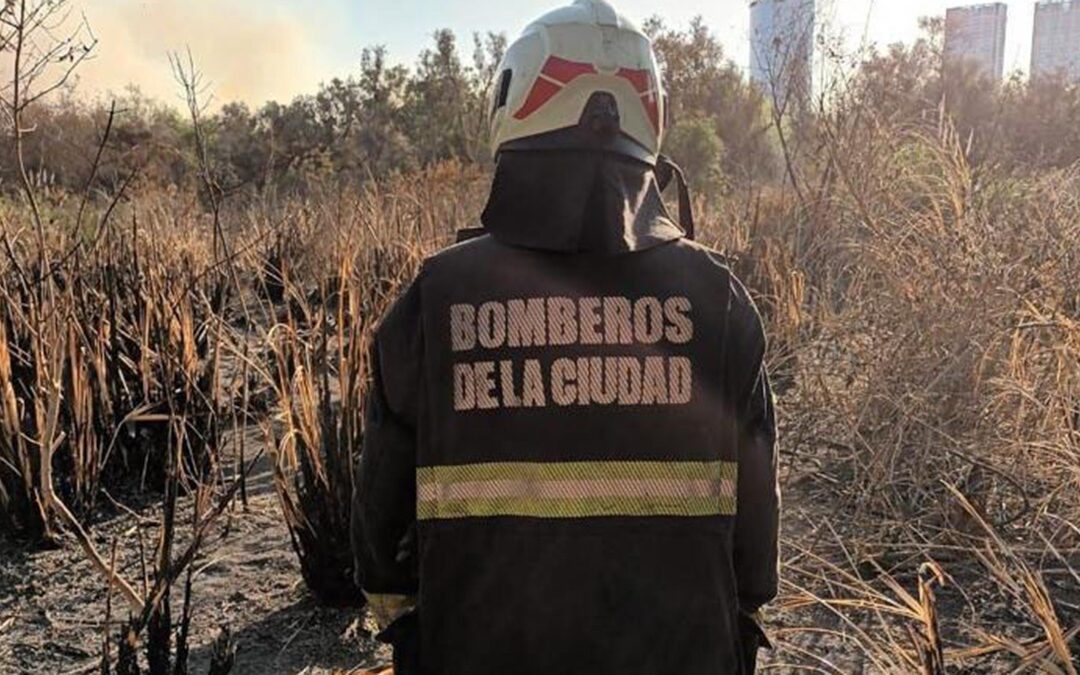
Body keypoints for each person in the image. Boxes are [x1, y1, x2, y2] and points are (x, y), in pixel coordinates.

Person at [351, 1, 779, 673]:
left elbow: (380, 521)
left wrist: (402, 619)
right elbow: (756, 527)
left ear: (514, 104)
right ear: (648, 120)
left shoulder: (433, 300)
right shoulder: (720, 299)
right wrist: (745, 611)